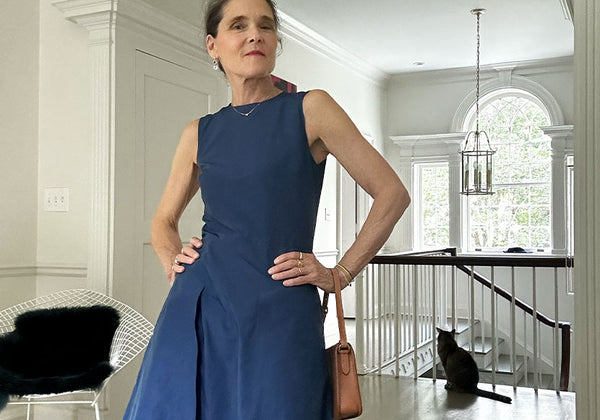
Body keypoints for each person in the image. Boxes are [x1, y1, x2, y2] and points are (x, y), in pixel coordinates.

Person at [124, 0, 410, 418]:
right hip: (200, 304)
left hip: (281, 305)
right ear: (213, 45)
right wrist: (173, 260)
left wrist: (340, 273)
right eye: (238, 26)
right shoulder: (199, 132)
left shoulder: (311, 109)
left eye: (266, 25)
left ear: (276, 40)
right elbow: (162, 221)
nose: (255, 35)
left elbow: (392, 194)